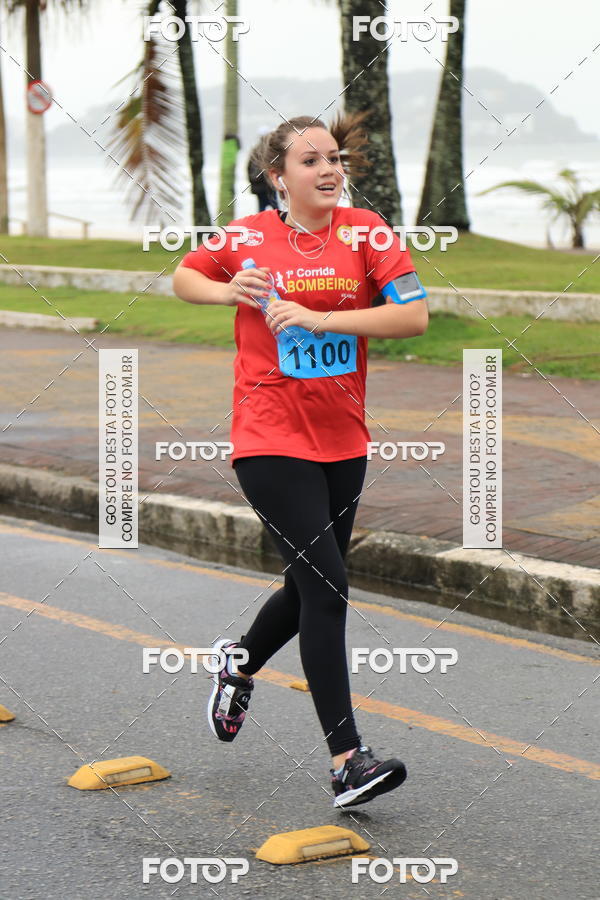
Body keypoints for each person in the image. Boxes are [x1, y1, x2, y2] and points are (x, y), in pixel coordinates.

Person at [172, 112, 429, 808]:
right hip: (268, 435)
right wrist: (228, 291)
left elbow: (414, 316)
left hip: (342, 438)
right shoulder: (250, 235)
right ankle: (349, 760)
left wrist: (321, 319)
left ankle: (239, 662)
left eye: (334, 158)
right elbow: (184, 275)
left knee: (308, 583)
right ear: (277, 176)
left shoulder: (366, 230)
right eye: (310, 160)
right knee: (329, 587)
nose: (327, 169)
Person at [247, 128, 278, 211]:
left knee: (261, 209)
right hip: (268, 185)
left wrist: (252, 182)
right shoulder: (269, 149)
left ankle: (260, 223)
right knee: (275, 209)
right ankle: (277, 223)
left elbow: (248, 168)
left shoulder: (255, 150)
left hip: (259, 186)